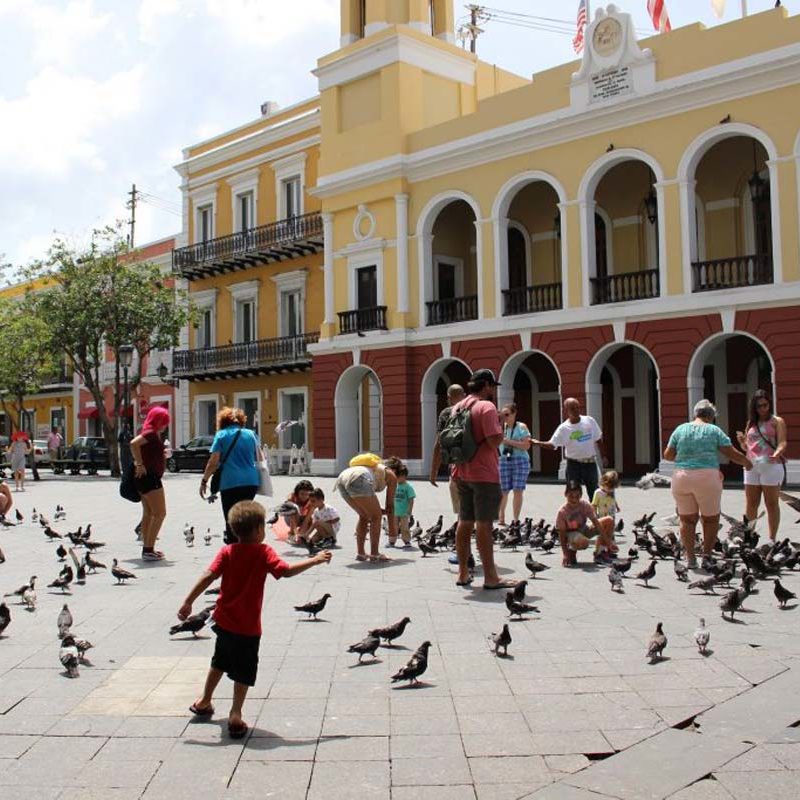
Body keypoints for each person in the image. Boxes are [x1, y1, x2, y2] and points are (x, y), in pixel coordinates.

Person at [177, 500, 331, 738]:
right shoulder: (264, 552)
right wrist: (315, 559)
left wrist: (188, 601)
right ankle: (236, 713)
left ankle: (204, 700)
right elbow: (286, 571)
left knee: (219, 661)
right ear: (259, 530)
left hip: (223, 621)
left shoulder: (227, 551)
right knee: (244, 670)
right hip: (248, 627)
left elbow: (208, 576)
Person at [663, 399, 752, 567]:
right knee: (710, 519)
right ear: (711, 416)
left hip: (681, 477)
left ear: (696, 413)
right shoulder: (714, 430)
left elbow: (667, 455)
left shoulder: (680, 429)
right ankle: (706, 556)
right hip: (707, 478)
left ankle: (690, 558)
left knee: (686, 520)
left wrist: (686, 459)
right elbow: (730, 452)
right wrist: (747, 462)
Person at [452, 369, 516, 590]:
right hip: (484, 473)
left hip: (461, 471)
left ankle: (462, 573)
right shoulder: (486, 407)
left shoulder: (458, 407)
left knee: (464, 521)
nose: (493, 391)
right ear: (486, 385)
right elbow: (493, 441)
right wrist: (500, 423)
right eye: (492, 387)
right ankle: (491, 577)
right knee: (484, 524)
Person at [200, 408, 261, 545]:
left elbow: (213, 462)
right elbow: (259, 457)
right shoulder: (251, 434)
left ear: (222, 421)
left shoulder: (221, 435)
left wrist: (204, 480)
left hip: (230, 482)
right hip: (250, 482)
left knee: (231, 517)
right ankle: (248, 544)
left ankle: (234, 548)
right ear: (242, 420)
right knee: (245, 515)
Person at [736, 390, 787, 541]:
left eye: (765, 405)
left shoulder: (777, 421)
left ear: (769, 404)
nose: (763, 409)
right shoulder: (751, 423)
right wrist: (742, 443)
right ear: (754, 408)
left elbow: (783, 441)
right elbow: (748, 447)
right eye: (759, 406)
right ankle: (749, 537)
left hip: (771, 464)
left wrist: (778, 452)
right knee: (751, 503)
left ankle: (772, 539)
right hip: (751, 465)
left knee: (771, 503)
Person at [333, 454, 402, 562]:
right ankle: (375, 554)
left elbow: (367, 500)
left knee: (364, 515)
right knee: (376, 517)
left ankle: (361, 553)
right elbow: (390, 506)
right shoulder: (391, 475)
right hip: (359, 478)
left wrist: (377, 510)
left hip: (342, 478)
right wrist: (393, 532)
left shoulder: (372, 467)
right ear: (395, 470)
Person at [532, 398, 603, 500]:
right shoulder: (564, 428)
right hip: (573, 465)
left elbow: (599, 439)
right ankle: (575, 515)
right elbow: (552, 445)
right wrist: (537, 443)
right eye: (573, 408)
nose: (576, 410)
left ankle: (596, 515)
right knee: (573, 493)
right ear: (566, 411)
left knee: (594, 493)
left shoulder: (589, 421)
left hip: (590, 463)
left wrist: (604, 456)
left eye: (578, 407)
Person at [130, 406, 171, 561]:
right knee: (160, 513)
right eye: (165, 422)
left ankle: (147, 548)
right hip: (150, 478)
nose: (166, 425)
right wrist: (140, 464)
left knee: (149, 513)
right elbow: (133, 444)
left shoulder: (151, 435)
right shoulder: (151, 434)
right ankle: (148, 549)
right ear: (159, 421)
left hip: (144, 478)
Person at [556, 480, 617, 567]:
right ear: (565, 494)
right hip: (570, 535)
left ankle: (600, 553)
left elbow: (596, 523)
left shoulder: (584, 505)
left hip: (584, 529)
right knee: (584, 542)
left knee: (609, 520)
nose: (574, 499)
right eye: (571, 496)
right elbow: (561, 535)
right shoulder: (562, 512)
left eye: (577, 496)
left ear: (581, 495)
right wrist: (565, 554)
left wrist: (608, 543)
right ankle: (571, 550)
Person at [429, 384, 466, 523]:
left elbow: (439, 444)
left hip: (456, 465)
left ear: (449, 398)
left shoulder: (446, 413)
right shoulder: (474, 409)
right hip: (477, 463)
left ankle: (463, 529)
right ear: (464, 395)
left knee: (461, 505)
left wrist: (434, 470)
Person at [497, 403, 531, 526]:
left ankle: (516, 520)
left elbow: (526, 445)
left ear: (514, 413)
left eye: (507, 414)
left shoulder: (521, 427)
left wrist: (508, 441)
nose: (504, 417)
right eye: (502, 415)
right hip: (504, 460)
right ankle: (501, 517)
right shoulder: (500, 427)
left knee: (518, 490)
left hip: (520, 460)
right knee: (503, 490)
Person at [390, 464, 415, 548]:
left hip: (404, 512)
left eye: (398, 476)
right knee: (393, 527)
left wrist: (409, 511)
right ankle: (392, 541)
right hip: (394, 511)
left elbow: (411, 500)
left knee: (404, 528)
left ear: (404, 476)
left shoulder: (408, 487)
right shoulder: (394, 485)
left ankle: (407, 541)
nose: (396, 478)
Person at [283, 480, 314, 544]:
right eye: (302, 494)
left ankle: (302, 534)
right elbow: (292, 517)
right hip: (290, 517)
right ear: (297, 493)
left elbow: (307, 518)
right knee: (294, 511)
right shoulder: (291, 497)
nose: (304, 496)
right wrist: (296, 533)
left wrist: (301, 534)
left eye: (307, 494)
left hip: (303, 517)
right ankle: (291, 534)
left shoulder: (312, 500)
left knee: (311, 519)